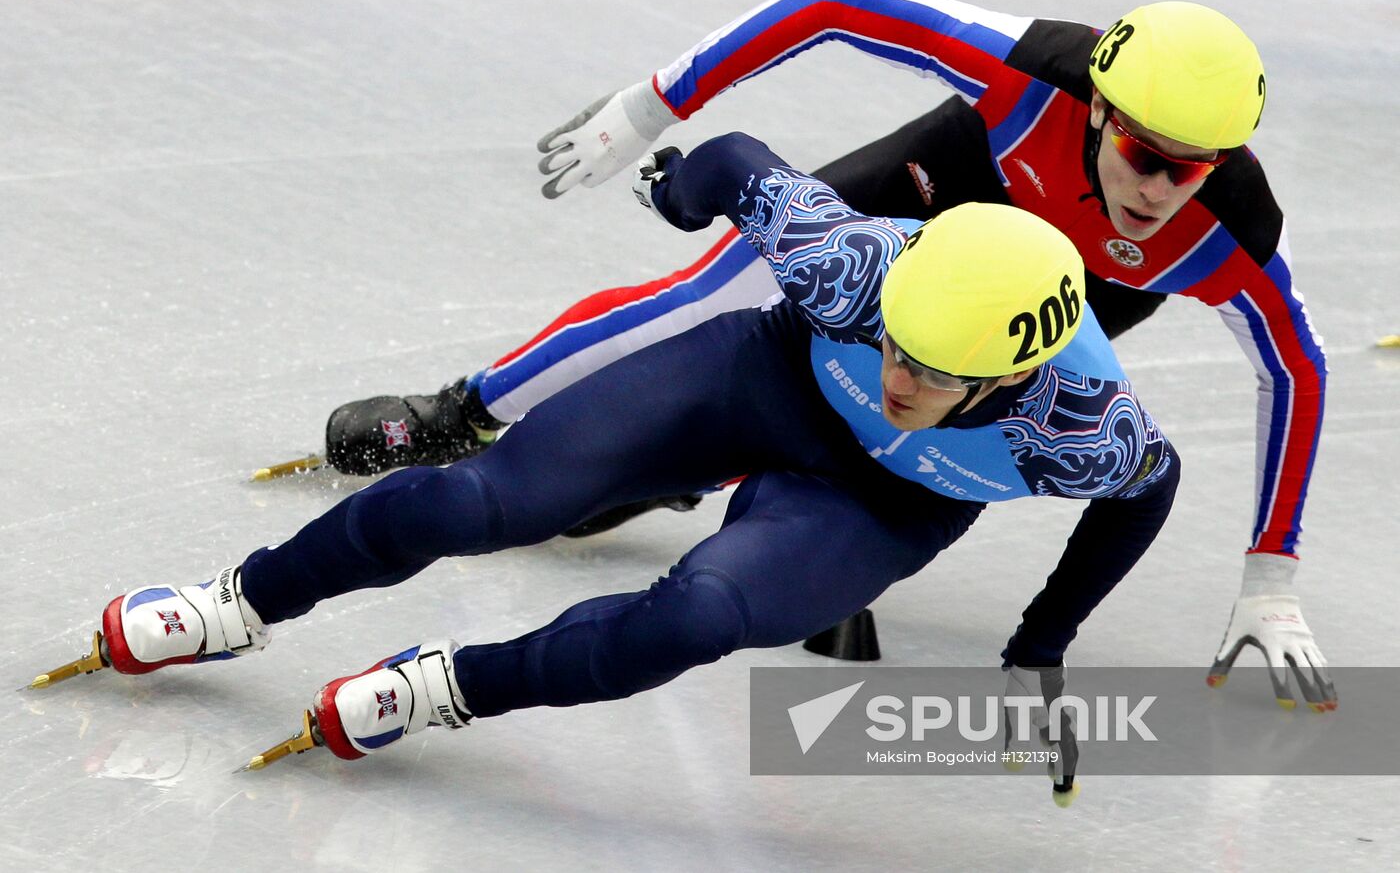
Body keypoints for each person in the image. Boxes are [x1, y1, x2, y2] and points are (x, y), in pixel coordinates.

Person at [48, 133, 1179, 804]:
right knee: (475, 499)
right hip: (762, 380)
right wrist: (675, 190)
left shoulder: (1084, 427)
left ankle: (448, 686)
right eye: (892, 340)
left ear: (1010, 378)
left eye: (932, 371)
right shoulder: (855, 268)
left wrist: (1040, 646)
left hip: (881, 503)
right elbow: (735, 164)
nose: (897, 373)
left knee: (693, 618)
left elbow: (1146, 497)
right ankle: (238, 603)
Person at [321, 0, 1331, 709]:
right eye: (1145, 154)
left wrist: (1269, 577)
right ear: (1099, 109)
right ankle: (466, 411)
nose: (1159, 189)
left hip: (1022, 317)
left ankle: (773, 511)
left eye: (1193, 169)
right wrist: (654, 104)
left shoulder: (1229, 235)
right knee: (708, 296)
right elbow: (836, 1)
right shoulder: (1035, 73)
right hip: (927, 198)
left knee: (947, 413)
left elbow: (1293, 368)